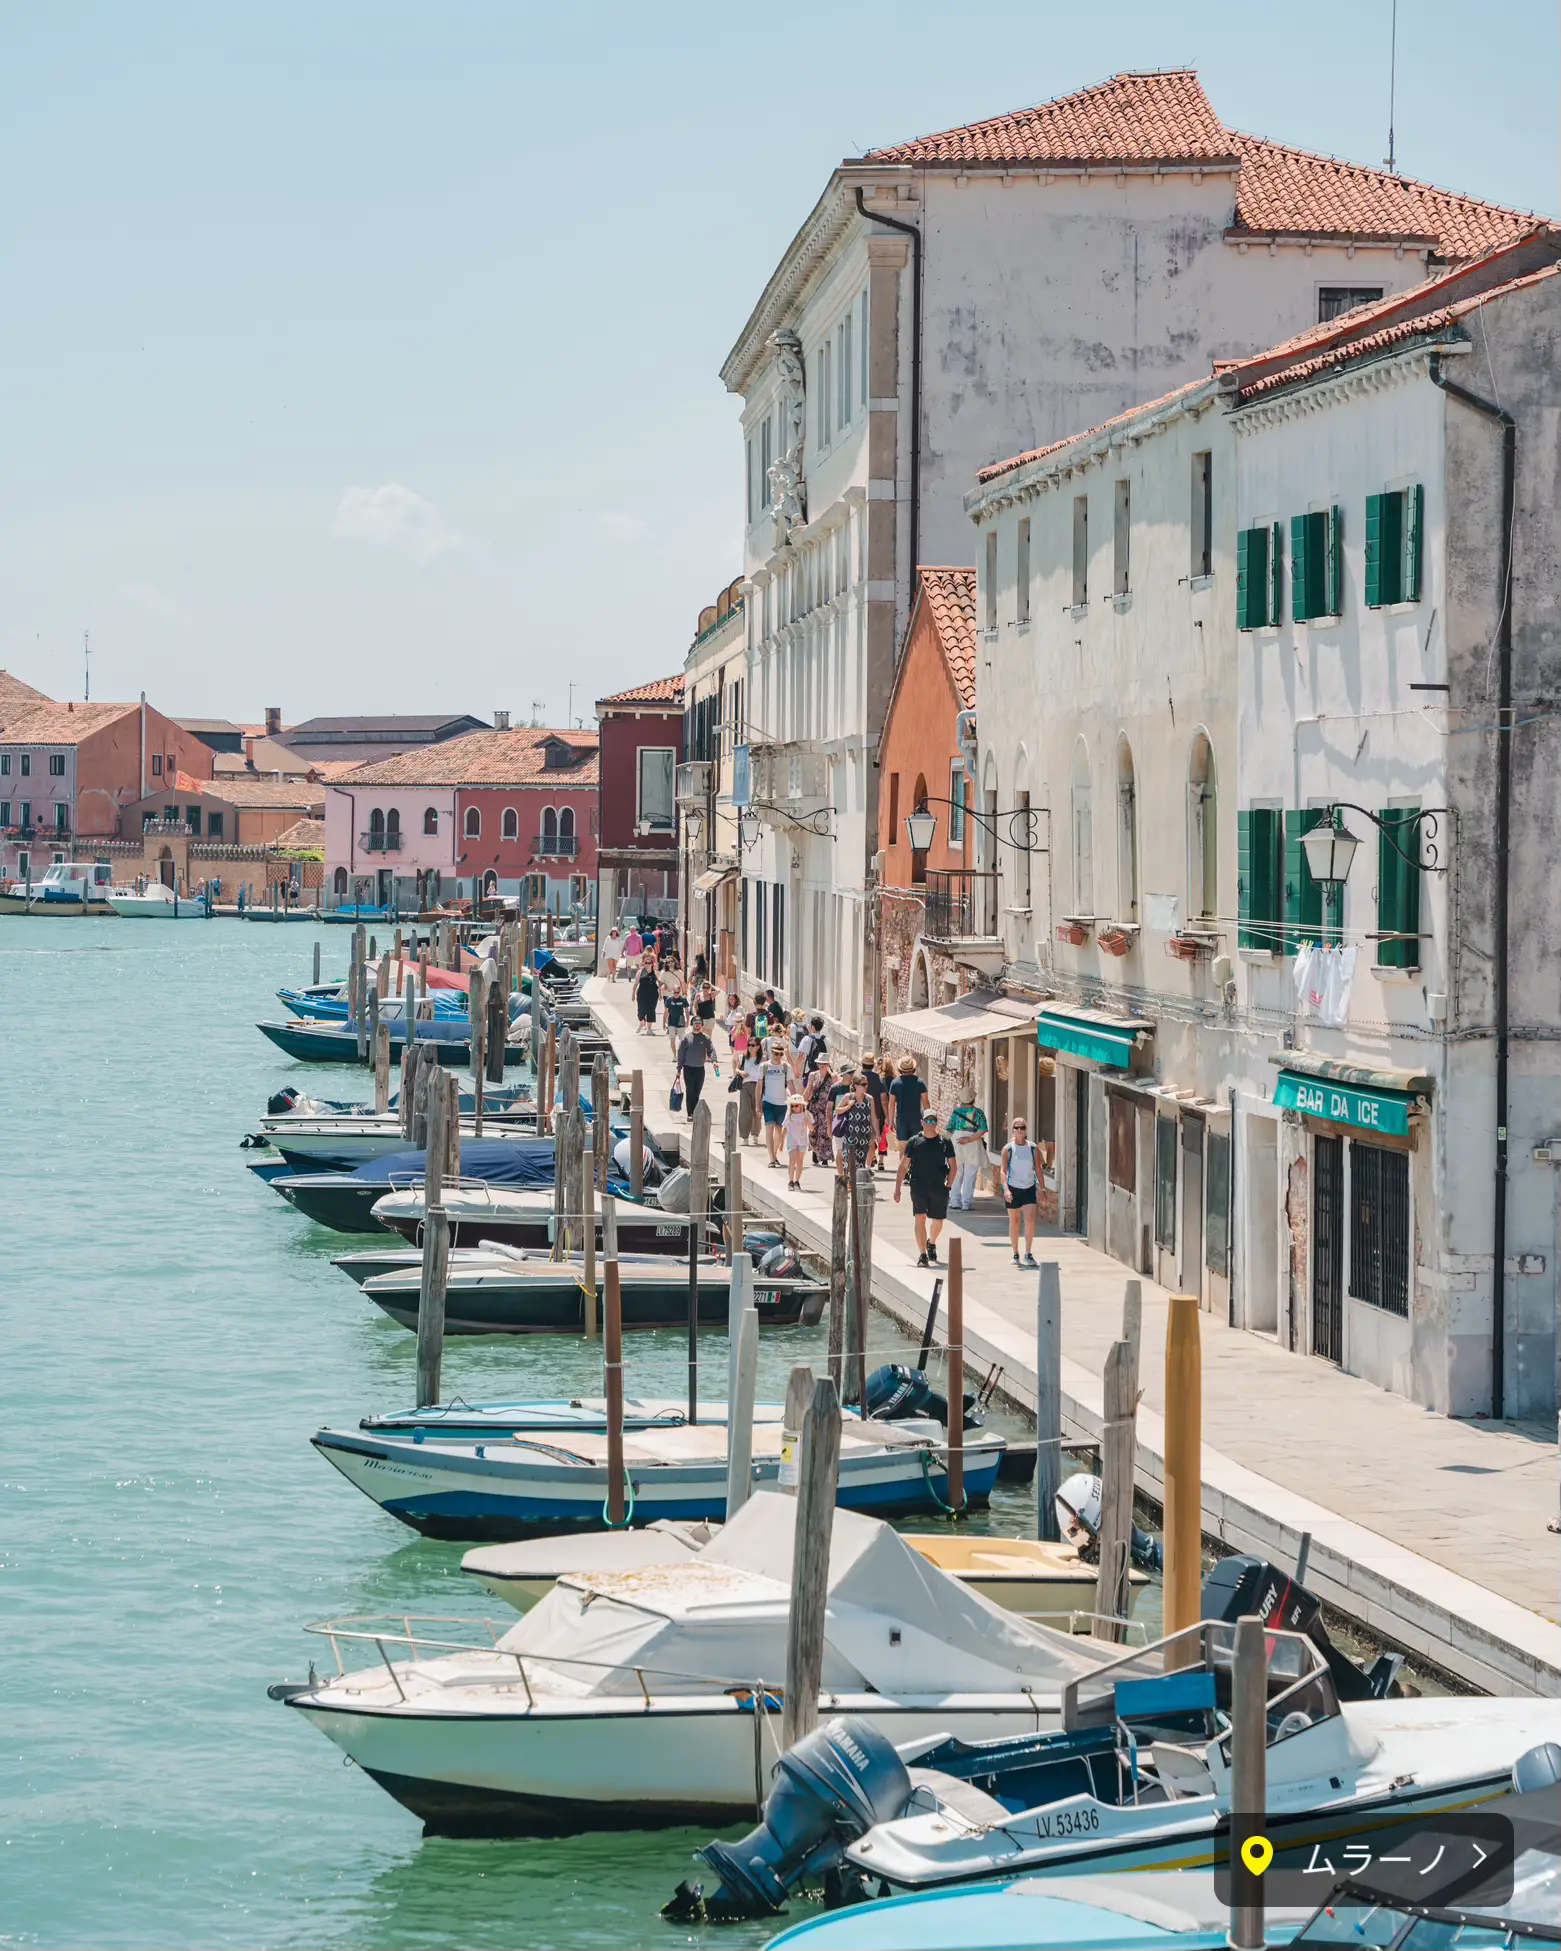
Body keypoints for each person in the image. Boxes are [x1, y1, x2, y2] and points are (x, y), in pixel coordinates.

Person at [895, 1108, 957, 1268]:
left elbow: (953, 1166)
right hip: (918, 1185)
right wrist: (897, 1188)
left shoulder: (945, 1142)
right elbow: (903, 1166)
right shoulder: (914, 1142)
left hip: (939, 1186)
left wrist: (949, 1183)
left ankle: (932, 1242)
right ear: (922, 1122)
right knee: (920, 1218)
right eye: (927, 1120)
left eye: (933, 1120)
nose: (930, 1123)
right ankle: (922, 1254)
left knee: (938, 1221)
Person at [1000, 1115, 1040, 1268]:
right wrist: (1006, 1190)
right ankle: (1015, 1253)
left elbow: (1037, 1169)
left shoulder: (1032, 1148)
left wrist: (1042, 1188)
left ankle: (1028, 1253)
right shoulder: (1008, 1149)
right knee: (1014, 1221)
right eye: (1016, 1128)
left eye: (1022, 1127)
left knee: (1030, 1221)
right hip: (1013, 1188)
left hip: (1029, 1187)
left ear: (1026, 1130)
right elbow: (1003, 1171)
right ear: (1013, 1130)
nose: (1019, 1130)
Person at [947, 1088, 990, 1211]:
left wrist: (947, 1146)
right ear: (973, 1098)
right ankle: (966, 1202)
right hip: (973, 1144)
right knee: (970, 1175)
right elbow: (983, 1129)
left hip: (957, 1144)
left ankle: (955, 1200)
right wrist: (970, 1139)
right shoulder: (979, 1113)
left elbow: (949, 1130)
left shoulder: (956, 1112)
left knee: (956, 1172)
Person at [834, 1069, 879, 1179]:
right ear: (856, 1085)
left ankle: (856, 1187)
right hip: (850, 1135)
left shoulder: (869, 1099)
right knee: (849, 1161)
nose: (865, 1086)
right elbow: (837, 1110)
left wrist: (877, 1133)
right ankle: (850, 1185)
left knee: (860, 1163)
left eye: (866, 1084)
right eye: (863, 1084)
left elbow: (873, 1116)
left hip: (864, 1135)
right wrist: (848, 1106)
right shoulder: (848, 1097)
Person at [888, 1056, 930, 1159]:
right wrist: (929, 1120)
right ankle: (914, 1169)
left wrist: (890, 1121)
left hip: (901, 1119)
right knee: (916, 1146)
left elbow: (892, 1104)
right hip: (916, 1119)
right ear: (913, 1068)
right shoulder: (920, 1082)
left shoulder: (895, 1083)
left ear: (900, 1069)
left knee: (903, 1147)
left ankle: (904, 1171)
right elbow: (926, 1103)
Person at [759, 1039, 792, 1167]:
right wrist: (758, 1104)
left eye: (780, 1054)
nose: (778, 1056)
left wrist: (797, 1100)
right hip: (768, 1101)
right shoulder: (764, 1066)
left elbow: (791, 1084)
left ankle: (774, 1154)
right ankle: (772, 1158)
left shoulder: (785, 1067)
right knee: (769, 1127)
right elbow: (759, 1085)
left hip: (782, 1103)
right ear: (771, 1052)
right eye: (775, 1053)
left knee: (779, 1130)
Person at [675, 1021, 718, 1118]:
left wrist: (714, 1061)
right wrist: (679, 1069)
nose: (697, 1025)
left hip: (700, 1069)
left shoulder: (705, 1038)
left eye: (699, 1023)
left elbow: (711, 1050)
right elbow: (681, 1054)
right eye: (695, 1023)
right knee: (690, 1090)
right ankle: (690, 1113)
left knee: (697, 1091)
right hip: (688, 1069)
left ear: (702, 1025)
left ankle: (695, 1111)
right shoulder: (686, 1038)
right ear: (692, 1024)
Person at [805, 1058, 836, 1166]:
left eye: (824, 1063)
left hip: (826, 1108)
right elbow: (808, 1089)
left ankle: (824, 1157)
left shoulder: (832, 1076)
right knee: (813, 1131)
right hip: (814, 1107)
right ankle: (815, 1150)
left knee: (825, 1132)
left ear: (828, 1064)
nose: (822, 1065)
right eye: (820, 1063)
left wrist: (832, 1075)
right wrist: (802, 1102)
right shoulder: (813, 1075)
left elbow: (837, 1088)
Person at [740, 1033, 764, 1145]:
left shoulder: (762, 1060)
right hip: (745, 1085)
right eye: (749, 1045)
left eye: (753, 1045)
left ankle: (755, 1134)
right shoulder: (743, 1057)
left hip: (758, 1086)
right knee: (745, 1111)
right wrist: (740, 1072)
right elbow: (736, 1067)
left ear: (758, 1046)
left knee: (757, 1111)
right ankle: (744, 1136)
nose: (750, 1047)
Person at [784, 1093, 809, 1188]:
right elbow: (784, 1129)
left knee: (800, 1162)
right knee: (792, 1160)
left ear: (802, 1105)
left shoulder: (806, 1114)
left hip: (802, 1141)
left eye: (796, 1105)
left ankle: (797, 1181)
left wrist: (807, 1122)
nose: (794, 1107)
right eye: (792, 1105)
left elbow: (811, 1129)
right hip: (792, 1141)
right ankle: (790, 1181)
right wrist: (781, 1142)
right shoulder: (789, 1116)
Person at [663, 975, 689, 1052]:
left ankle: (681, 1053)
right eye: (675, 993)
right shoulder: (669, 1000)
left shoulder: (683, 999)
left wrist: (687, 1021)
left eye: (677, 993)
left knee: (682, 1040)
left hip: (680, 1021)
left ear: (679, 992)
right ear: (672, 992)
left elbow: (686, 1011)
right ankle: (675, 1055)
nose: (676, 994)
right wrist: (664, 1022)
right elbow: (666, 1012)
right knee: (672, 1040)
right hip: (671, 1021)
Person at [634, 961, 659, 1036]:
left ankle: (649, 1029)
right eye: (646, 963)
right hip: (642, 994)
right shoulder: (640, 972)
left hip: (653, 994)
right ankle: (642, 1023)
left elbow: (660, 982)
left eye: (649, 963)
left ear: (652, 964)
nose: (648, 965)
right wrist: (633, 993)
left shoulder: (655, 972)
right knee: (641, 1010)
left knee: (651, 1010)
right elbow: (636, 983)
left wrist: (661, 993)